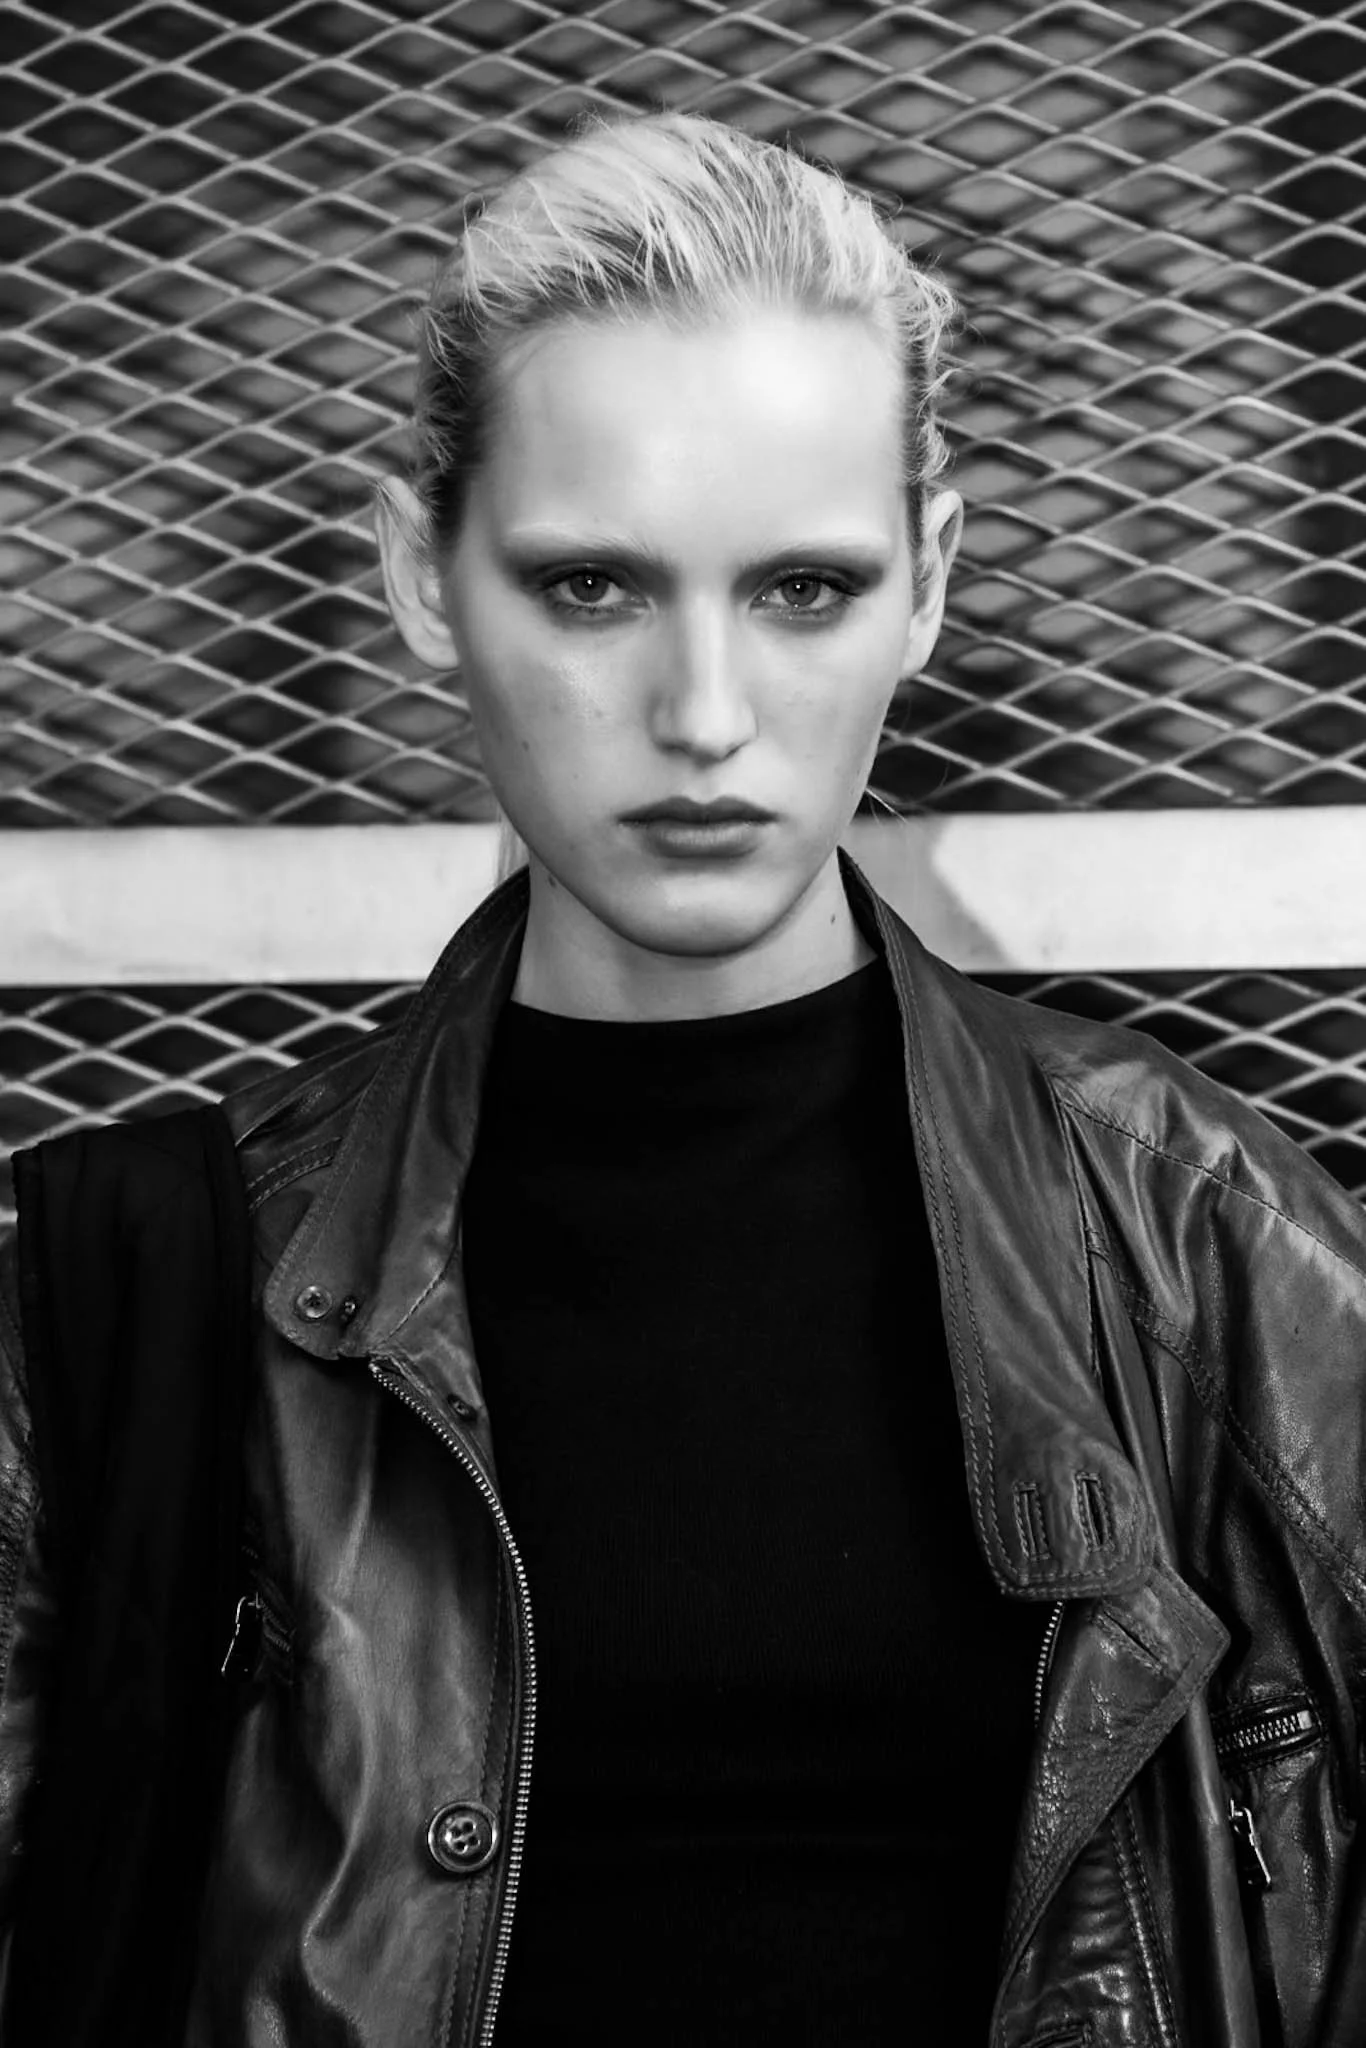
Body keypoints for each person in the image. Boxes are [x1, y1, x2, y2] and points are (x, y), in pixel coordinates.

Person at [1, 106, 1364, 2048]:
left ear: (928, 583)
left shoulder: (1204, 1243)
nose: (704, 715)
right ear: (419, 579)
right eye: (590, 587)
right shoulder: (132, 1296)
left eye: (802, 588)